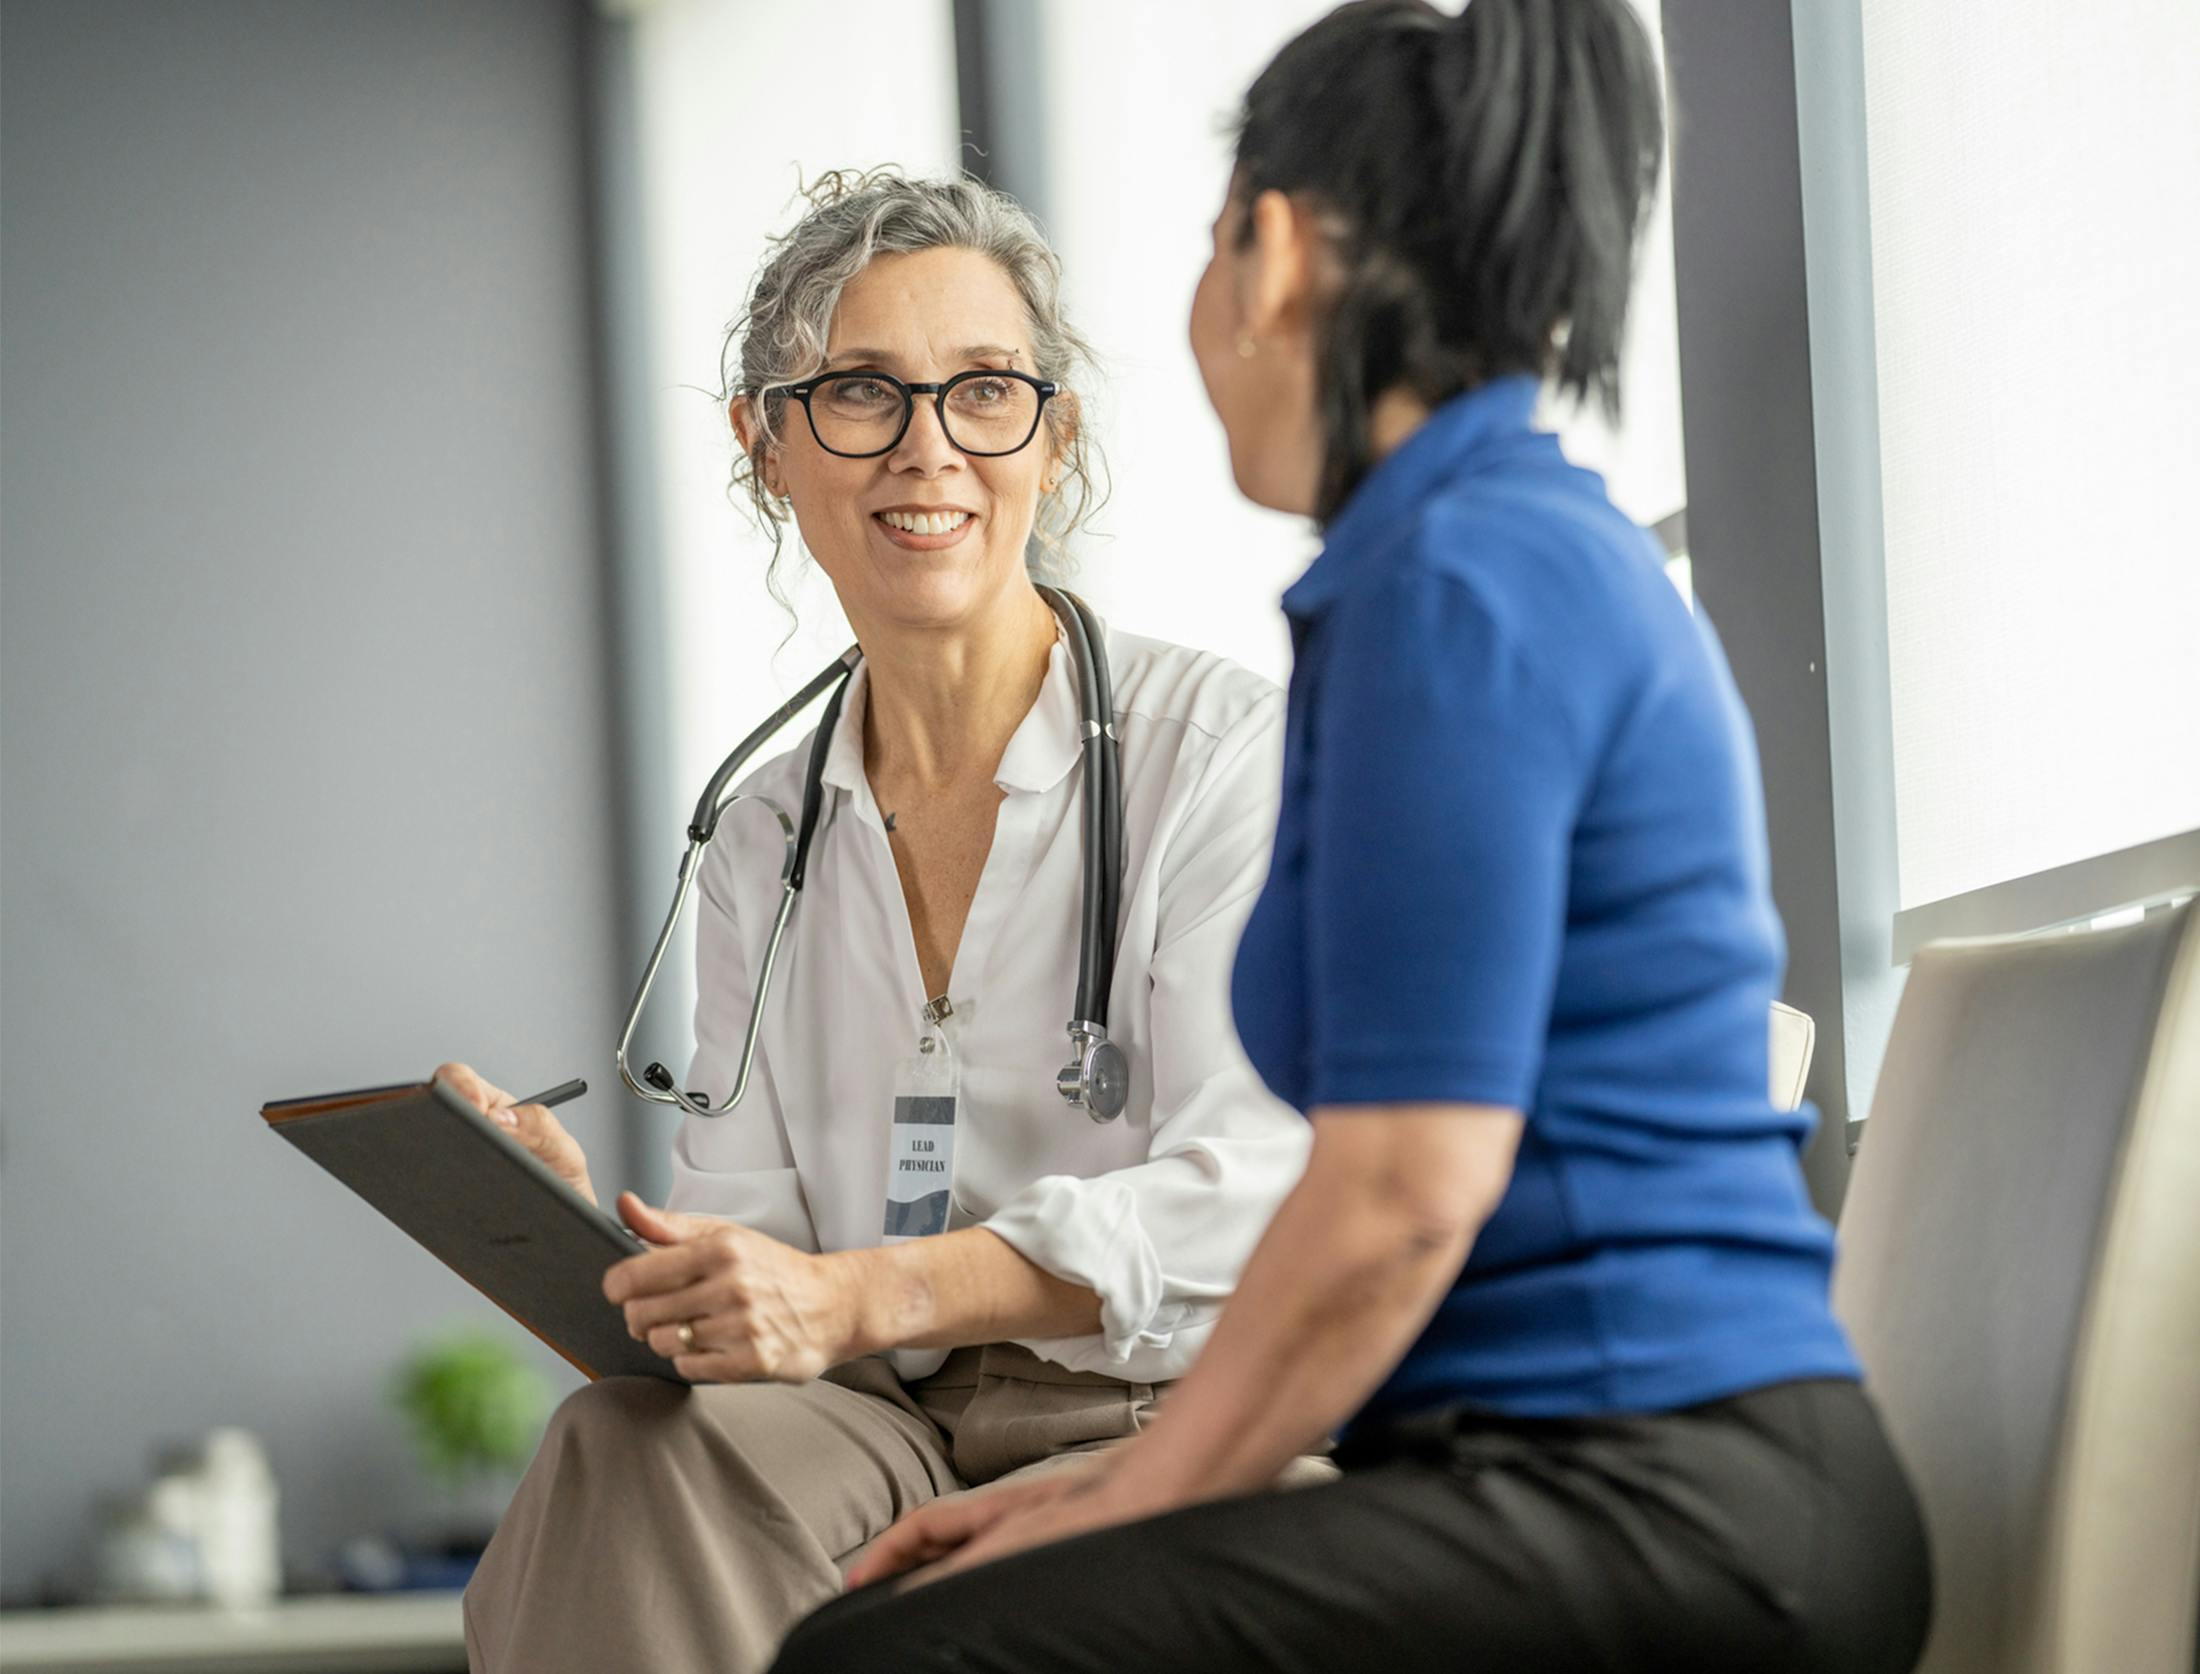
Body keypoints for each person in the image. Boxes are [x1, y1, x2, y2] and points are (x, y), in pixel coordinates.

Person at [769, 4, 1935, 1672]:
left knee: (881, 1663)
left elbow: (1399, 1190)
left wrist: (1135, 1487)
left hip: (1671, 1502)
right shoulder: (1483, 551)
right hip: (1575, 1482)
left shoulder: (1454, 585)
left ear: (1278, 253)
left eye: (1202, 247)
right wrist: (1107, 1495)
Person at [449, 170, 1321, 1674]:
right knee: (620, 1450)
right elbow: (764, 1248)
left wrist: (871, 1289)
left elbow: (1261, 1194)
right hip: (884, 1418)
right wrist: (611, 1244)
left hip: (1164, 1407)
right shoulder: (763, 833)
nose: (929, 448)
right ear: (768, 441)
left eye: (985, 390)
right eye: (861, 392)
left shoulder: (1220, 755)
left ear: (1054, 438)